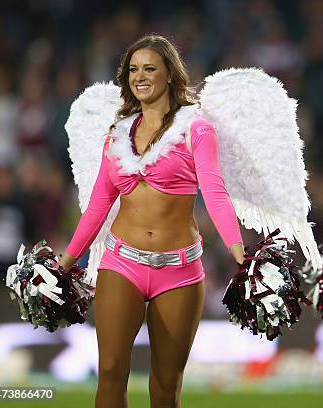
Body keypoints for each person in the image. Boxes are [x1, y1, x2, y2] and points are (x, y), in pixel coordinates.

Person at [59, 35, 245, 408]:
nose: (139, 77)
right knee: (109, 373)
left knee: (164, 387)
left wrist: (240, 253)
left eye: (149, 68)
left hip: (178, 270)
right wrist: (63, 263)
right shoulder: (116, 135)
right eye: (133, 69)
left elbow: (214, 191)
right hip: (120, 262)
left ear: (170, 75)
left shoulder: (197, 129)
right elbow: (98, 205)